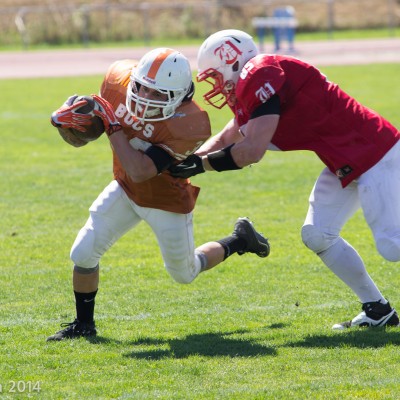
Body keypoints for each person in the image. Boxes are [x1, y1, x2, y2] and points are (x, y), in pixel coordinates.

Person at [169, 30, 400, 330]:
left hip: (376, 152)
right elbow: (229, 136)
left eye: (215, 76)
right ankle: (378, 309)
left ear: (232, 61)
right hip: (344, 161)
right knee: (317, 235)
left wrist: (198, 167)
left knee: (392, 246)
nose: (215, 85)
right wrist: (186, 162)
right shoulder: (252, 84)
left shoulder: (259, 71)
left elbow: (251, 150)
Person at [47, 47, 270, 341]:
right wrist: (79, 117)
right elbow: (94, 122)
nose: (145, 98)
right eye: (141, 88)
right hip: (126, 188)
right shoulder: (118, 79)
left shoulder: (191, 122)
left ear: (178, 95)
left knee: (185, 273)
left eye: (157, 94)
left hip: (165, 200)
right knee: (83, 252)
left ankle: (239, 239)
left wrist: (112, 125)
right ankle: (83, 325)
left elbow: (142, 169)